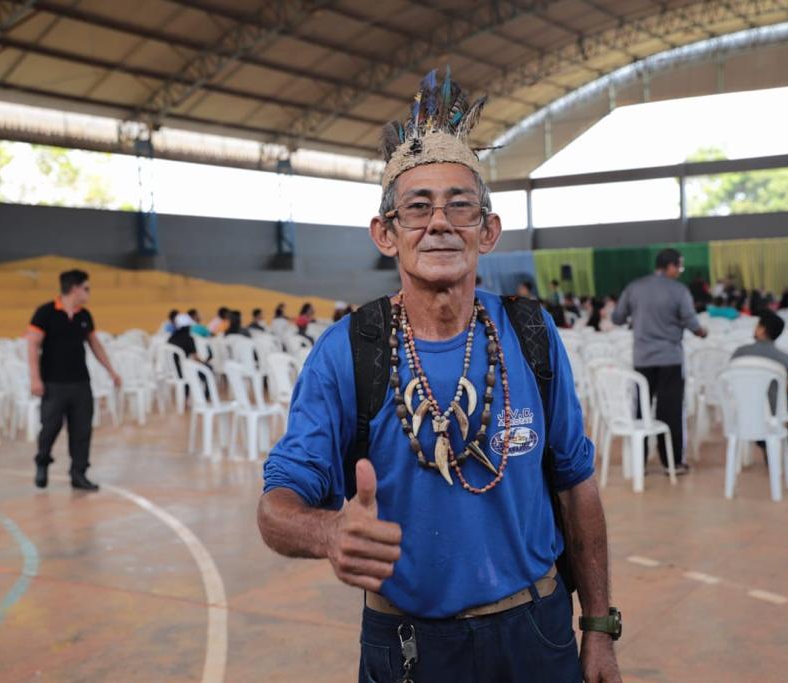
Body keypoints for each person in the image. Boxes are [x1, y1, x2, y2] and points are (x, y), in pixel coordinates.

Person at [257, 69, 622, 683]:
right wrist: (328, 531)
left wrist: (599, 628)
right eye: (417, 207)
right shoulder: (350, 351)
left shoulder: (532, 336)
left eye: (460, 205)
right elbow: (276, 506)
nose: (440, 222)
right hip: (409, 646)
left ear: (488, 230)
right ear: (386, 234)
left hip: (536, 631)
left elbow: (576, 486)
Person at [612, 248, 707, 474]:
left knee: (642, 410)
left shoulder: (635, 287)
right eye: (680, 267)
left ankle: (640, 462)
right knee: (671, 411)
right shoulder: (679, 291)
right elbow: (692, 323)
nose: (680, 272)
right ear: (671, 266)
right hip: (670, 359)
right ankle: (672, 463)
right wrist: (702, 332)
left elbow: (617, 317)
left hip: (642, 359)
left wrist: (638, 319)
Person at [27, 269, 120, 491]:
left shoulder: (84, 316)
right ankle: (42, 460)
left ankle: (78, 473)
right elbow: (32, 346)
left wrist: (111, 370)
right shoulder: (45, 313)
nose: (88, 293)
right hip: (53, 383)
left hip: (80, 383)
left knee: (82, 430)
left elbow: (95, 345)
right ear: (75, 288)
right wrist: (35, 379)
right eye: (86, 288)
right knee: (50, 426)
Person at [731, 310, 788, 449]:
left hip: (745, 406)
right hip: (775, 409)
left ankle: (765, 443)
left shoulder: (739, 353)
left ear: (762, 329)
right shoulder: (783, 358)